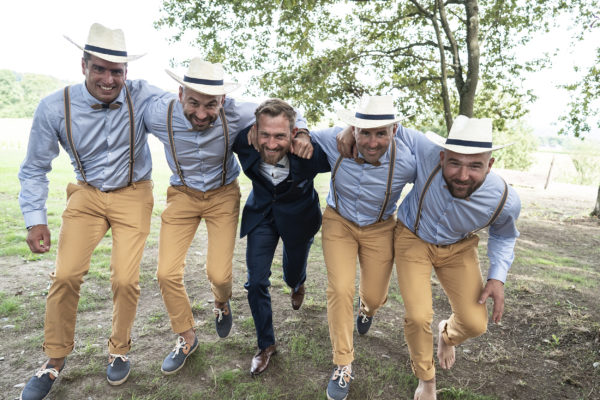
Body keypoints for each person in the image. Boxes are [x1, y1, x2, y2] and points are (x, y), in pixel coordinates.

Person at [18, 23, 170, 399]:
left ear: (126, 73)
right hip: (86, 194)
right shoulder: (55, 106)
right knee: (65, 275)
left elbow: (188, 107)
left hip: (134, 192)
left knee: (124, 279)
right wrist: (35, 217)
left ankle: (119, 351)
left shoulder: (142, 95)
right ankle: (53, 361)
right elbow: (35, 166)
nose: (107, 78)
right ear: (83, 64)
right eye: (99, 68)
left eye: (115, 71)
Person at [143, 61, 312, 375]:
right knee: (166, 273)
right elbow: (130, 94)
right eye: (193, 102)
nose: (203, 113)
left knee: (220, 276)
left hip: (222, 194)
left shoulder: (239, 112)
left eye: (211, 104)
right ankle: (186, 336)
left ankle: (221, 302)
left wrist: (301, 132)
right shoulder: (158, 113)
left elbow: (288, 114)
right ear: (180, 94)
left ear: (223, 101)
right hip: (181, 193)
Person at [339, 115, 521, 400]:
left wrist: (497, 276)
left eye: (475, 165)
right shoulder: (425, 150)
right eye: (454, 163)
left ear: (490, 165)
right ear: (441, 156)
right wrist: (351, 129)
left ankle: (446, 335)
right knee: (417, 315)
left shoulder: (504, 199)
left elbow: (505, 234)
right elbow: (384, 126)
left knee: (475, 324)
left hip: (459, 247)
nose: (463, 175)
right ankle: (426, 378)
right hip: (413, 237)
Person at [310, 95, 416, 400]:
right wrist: (343, 128)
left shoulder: (407, 162)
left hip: (381, 227)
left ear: (394, 130)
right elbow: (298, 128)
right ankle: (343, 363)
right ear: (353, 129)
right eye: (364, 132)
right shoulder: (335, 139)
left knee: (375, 295)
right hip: (338, 222)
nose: (372, 142)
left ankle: (367, 310)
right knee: (340, 288)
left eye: (380, 133)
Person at [233, 98, 328, 376]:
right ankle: (266, 345)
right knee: (256, 281)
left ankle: (297, 283)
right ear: (255, 130)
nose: (271, 144)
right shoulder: (243, 143)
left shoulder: (313, 154)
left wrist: (306, 134)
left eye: (279, 136)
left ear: (293, 133)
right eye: (265, 134)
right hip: (262, 215)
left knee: (290, 274)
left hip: (299, 218)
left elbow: (348, 152)